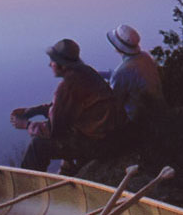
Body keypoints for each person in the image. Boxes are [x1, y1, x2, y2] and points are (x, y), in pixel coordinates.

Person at [11, 38, 124, 175]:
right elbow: (62, 109)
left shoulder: (69, 86)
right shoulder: (86, 72)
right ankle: (67, 173)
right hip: (108, 136)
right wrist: (32, 111)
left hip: (97, 143)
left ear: (62, 65)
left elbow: (54, 129)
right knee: (67, 133)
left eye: (52, 61)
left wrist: (27, 125)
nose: (50, 64)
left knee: (38, 145)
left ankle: (28, 183)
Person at [105, 24, 164, 126]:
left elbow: (115, 102)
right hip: (158, 112)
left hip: (137, 121)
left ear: (117, 47)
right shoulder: (145, 57)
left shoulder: (122, 71)